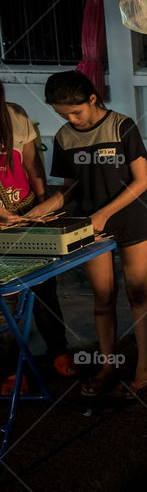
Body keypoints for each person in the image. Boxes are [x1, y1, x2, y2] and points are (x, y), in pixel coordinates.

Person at [26, 71, 147, 398]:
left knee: (138, 293)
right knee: (102, 299)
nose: (72, 119)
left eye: (76, 112)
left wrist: (104, 213)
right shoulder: (64, 138)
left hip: (132, 221)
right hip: (89, 226)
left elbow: (142, 181)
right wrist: (36, 213)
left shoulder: (122, 126)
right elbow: (69, 190)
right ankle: (108, 366)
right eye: (63, 114)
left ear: (93, 99)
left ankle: (145, 367)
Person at [0, 82, 77, 395]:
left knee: (44, 287)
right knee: (6, 298)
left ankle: (57, 351)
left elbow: (33, 165)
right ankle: (9, 369)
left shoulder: (15, 116)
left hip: (27, 211)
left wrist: (43, 203)